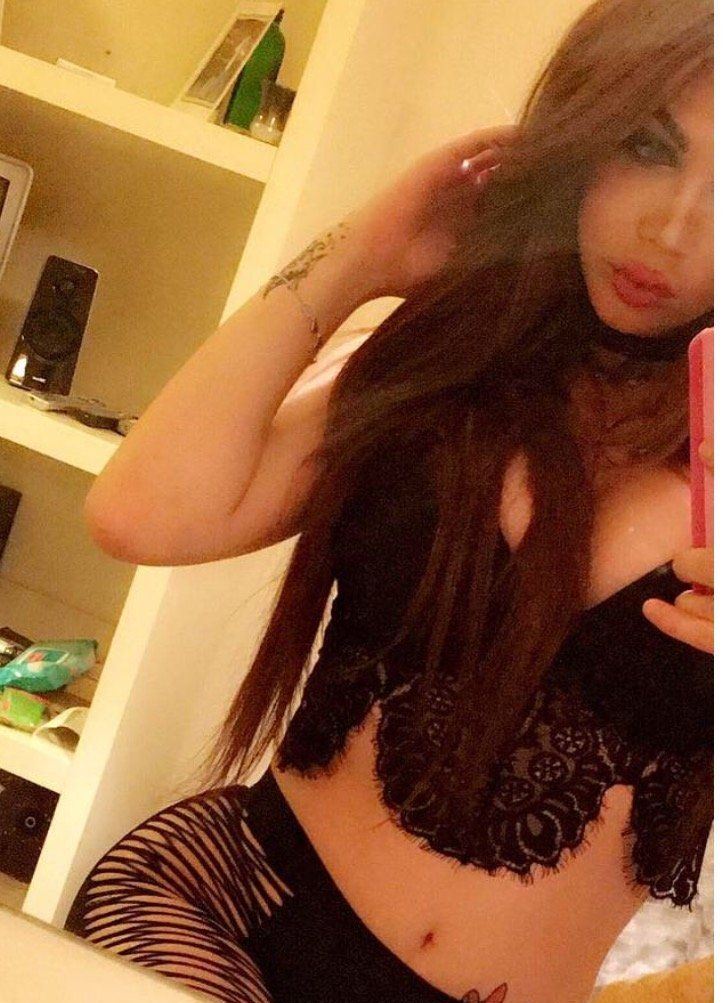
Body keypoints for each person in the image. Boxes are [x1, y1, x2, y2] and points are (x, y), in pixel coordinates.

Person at [64, 1, 714, 1001]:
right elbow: (142, 512)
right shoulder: (449, 366)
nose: (671, 228)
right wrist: (360, 256)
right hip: (224, 908)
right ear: (581, 138)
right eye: (647, 148)